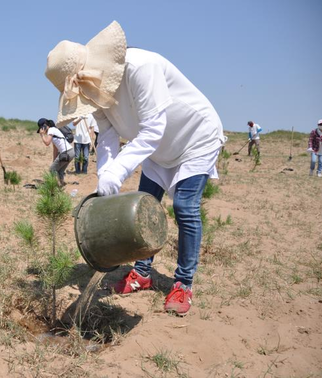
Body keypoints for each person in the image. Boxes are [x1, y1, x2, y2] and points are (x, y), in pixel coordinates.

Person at [45, 21, 226, 315]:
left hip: (194, 138)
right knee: (143, 206)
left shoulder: (141, 68)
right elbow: (106, 136)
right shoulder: (94, 93)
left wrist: (118, 172)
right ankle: (142, 273)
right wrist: (106, 173)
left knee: (184, 207)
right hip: (157, 149)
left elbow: (154, 129)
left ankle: (183, 283)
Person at [37, 118, 75, 186]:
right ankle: (61, 184)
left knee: (52, 170)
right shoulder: (54, 131)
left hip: (66, 152)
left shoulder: (51, 130)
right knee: (60, 170)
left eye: (41, 128)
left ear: (44, 126)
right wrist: (54, 161)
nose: (42, 131)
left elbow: (47, 143)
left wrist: (42, 135)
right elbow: (55, 149)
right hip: (71, 152)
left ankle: (55, 185)